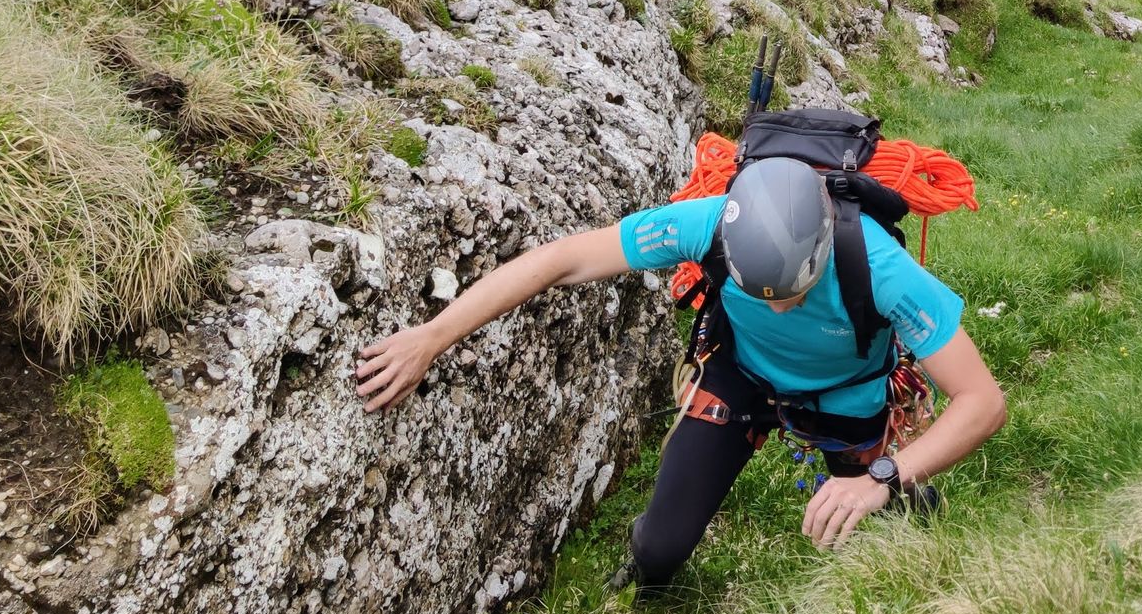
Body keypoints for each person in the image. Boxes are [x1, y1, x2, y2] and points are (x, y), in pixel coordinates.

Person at [354, 156, 1006, 588]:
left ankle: (902, 492)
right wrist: (434, 336)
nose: (780, 305)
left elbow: (982, 401)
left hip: (845, 392)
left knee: (876, 530)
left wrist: (884, 478)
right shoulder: (705, 224)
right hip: (741, 377)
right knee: (659, 551)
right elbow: (560, 260)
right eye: (764, 292)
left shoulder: (878, 268)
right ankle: (654, 564)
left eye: (797, 293)